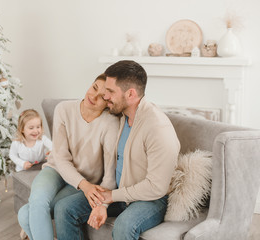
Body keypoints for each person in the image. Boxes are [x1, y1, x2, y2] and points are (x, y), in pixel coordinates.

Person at [55, 60, 180, 240]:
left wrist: (110, 197)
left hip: (151, 199)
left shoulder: (158, 129)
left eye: (111, 92)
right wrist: (103, 203)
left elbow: (156, 187)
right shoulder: (121, 116)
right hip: (121, 192)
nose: (105, 97)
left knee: (124, 225)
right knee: (64, 209)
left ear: (130, 94)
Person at [17, 73, 119, 240]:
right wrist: (84, 186)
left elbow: (110, 173)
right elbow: (60, 157)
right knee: (37, 201)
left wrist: (99, 197)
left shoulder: (110, 124)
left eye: (101, 97)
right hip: (56, 170)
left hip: (84, 178)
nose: (93, 96)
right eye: (94, 88)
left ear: (108, 104)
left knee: (24, 214)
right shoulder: (64, 109)